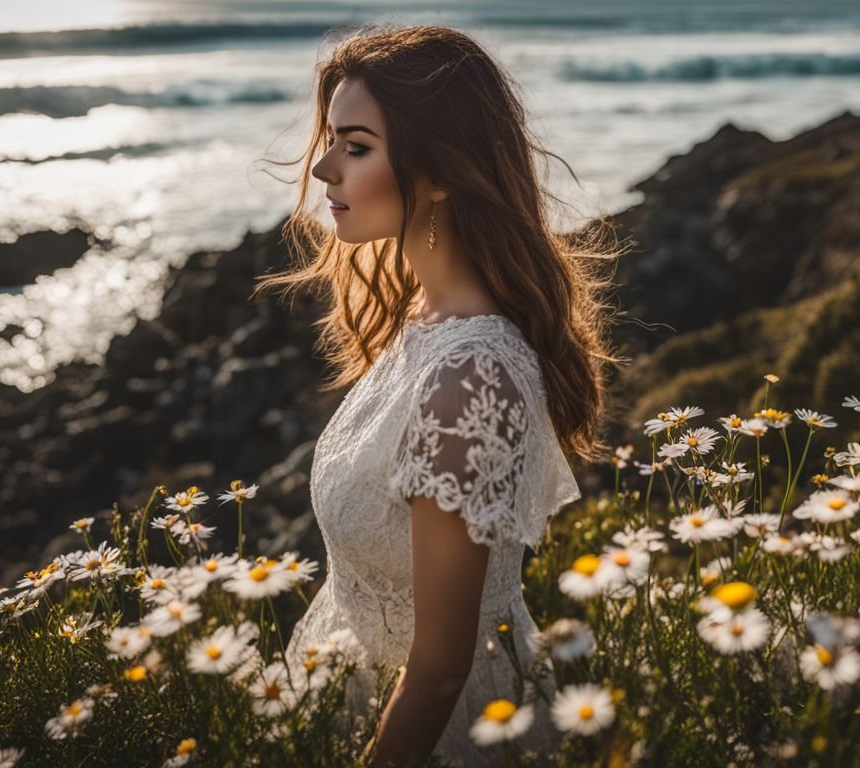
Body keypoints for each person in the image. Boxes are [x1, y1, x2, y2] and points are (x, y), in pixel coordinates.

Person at [252, 24, 625, 767]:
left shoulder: (470, 376)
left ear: (444, 170)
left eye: (356, 147)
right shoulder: (422, 322)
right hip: (363, 695)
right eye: (332, 141)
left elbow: (443, 666)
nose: (325, 168)